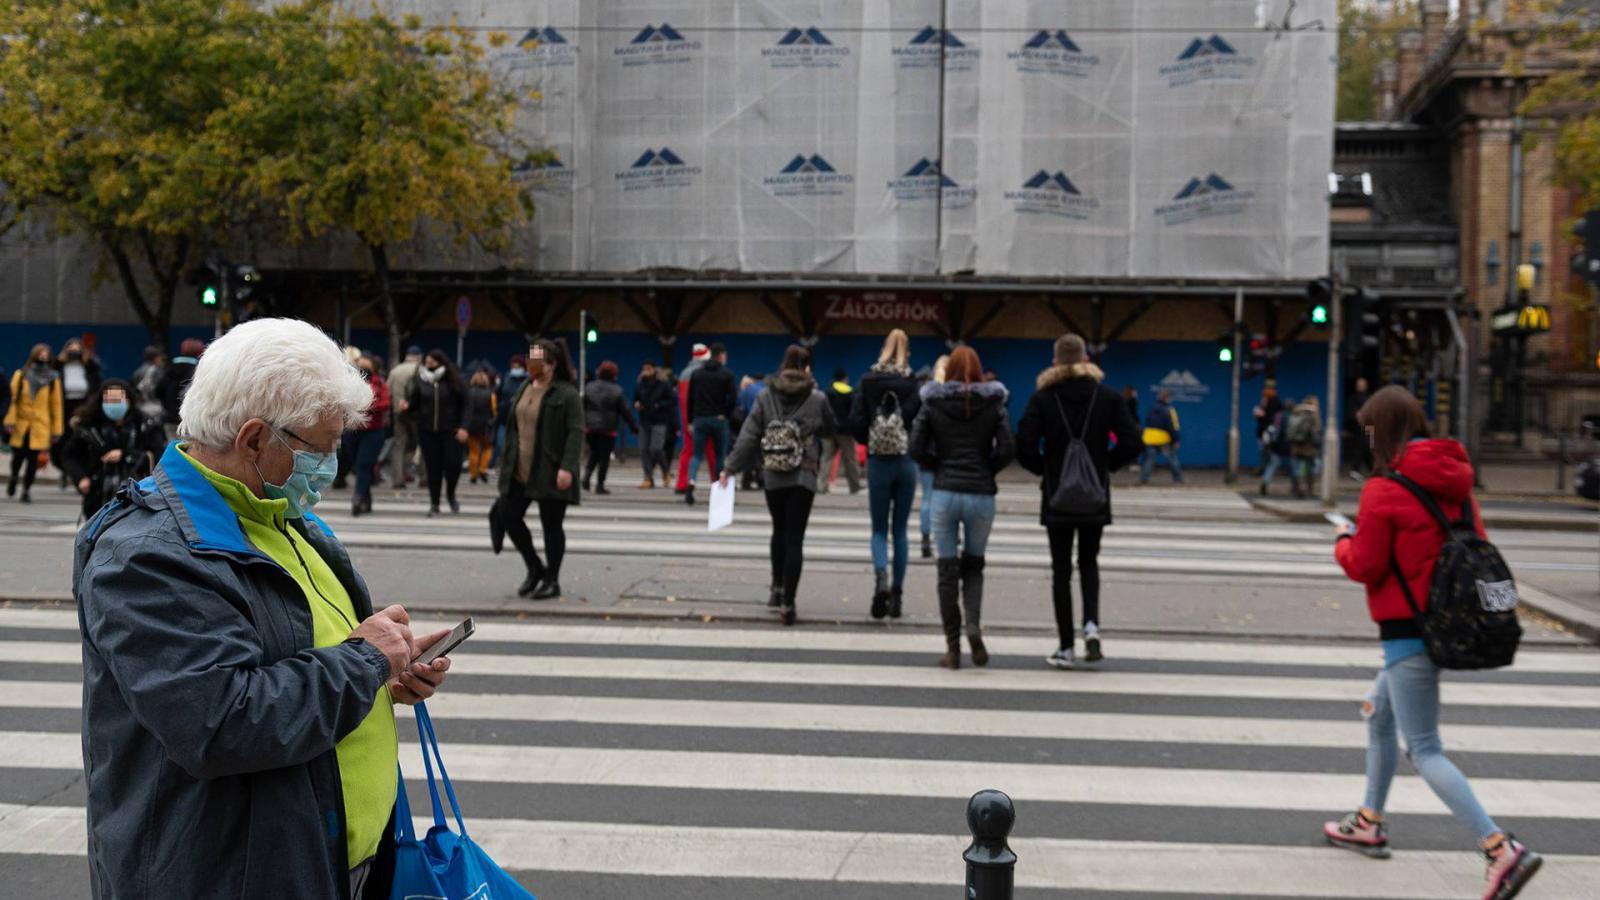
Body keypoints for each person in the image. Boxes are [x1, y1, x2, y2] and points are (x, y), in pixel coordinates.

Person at [73, 317, 452, 900]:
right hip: (234, 874)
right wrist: (365, 663)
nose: (330, 466)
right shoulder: (147, 557)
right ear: (253, 439)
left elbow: (309, 656)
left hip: (328, 858)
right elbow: (219, 722)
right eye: (319, 448)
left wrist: (389, 672)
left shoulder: (280, 515)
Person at [1326, 386, 1542, 899]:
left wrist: (1342, 542)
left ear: (1383, 430)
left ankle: (1498, 849)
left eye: (1369, 429)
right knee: (1380, 714)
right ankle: (1368, 820)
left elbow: (1367, 564)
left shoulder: (1382, 490)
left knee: (1423, 748)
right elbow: (1473, 546)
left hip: (1408, 631)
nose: (1367, 438)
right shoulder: (1459, 484)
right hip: (1450, 624)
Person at [1017, 335, 1143, 670]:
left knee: (1061, 571)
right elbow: (1134, 440)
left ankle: (1065, 647)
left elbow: (1024, 445)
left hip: (1057, 498)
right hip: (1094, 495)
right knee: (1089, 562)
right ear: (1086, 359)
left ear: (1055, 361)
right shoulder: (1107, 397)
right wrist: (1107, 465)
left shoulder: (1043, 399)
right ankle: (1091, 626)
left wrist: (1046, 470)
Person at [910, 346, 1015, 670]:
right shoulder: (994, 404)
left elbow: (915, 446)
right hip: (981, 494)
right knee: (974, 565)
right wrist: (987, 469)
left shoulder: (933, 402)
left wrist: (938, 465)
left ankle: (953, 649)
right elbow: (1007, 447)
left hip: (945, 492)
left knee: (946, 571)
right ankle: (973, 625)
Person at [721, 345, 835, 626]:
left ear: (783, 365)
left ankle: (776, 588)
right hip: (804, 476)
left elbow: (749, 435)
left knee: (779, 530)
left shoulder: (765, 395)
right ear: (807, 369)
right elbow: (830, 429)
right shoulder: (816, 396)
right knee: (795, 538)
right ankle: (788, 604)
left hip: (772, 474)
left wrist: (730, 467)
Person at [498, 339, 582, 600]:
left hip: (550, 469)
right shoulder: (525, 386)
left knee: (551, 527)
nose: (530, 363)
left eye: (537, 359)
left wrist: (567, 467)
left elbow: (576, 432)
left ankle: (552, 580)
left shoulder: (566, 393)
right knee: (508, 516)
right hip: (519, 469)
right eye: (529, 358)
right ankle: (535, 568)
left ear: (551, 364)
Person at [850, 329, 922, 619]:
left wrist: (869, 439)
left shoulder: (867, 381)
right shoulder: (911, 383)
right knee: (901, 531)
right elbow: (921, 421)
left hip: (879, 460)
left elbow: (855, 421)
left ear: (883, 349)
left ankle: (881, 576)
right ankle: (898, 596)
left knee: (879, 529)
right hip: (905, 461)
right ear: (907, 351)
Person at [61, 379, 166, 520]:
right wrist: (80, 477)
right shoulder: (89, 426)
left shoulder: (144, 424)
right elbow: (70, 455)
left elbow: (158, 453)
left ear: (128, 400)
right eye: (109, 400)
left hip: (137, 492)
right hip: (97, 492)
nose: (113, 405)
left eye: (118, 400)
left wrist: (126, 455)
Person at [404, 350, 468, 517]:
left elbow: (466, 405)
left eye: (432, 361)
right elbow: (414, 404)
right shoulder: (421, 381)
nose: (429, 364)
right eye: (427, 361)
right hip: (428, 432)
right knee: (433, 469)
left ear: (441, 362)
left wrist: (464, 427)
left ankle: (451, 495)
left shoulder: (453, 381)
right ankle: (435, 503)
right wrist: (407, 407)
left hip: (451, 432)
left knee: (453, 466)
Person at [5, 344, 62, 503]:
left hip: (40, 425)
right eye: (40, 353)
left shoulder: (53, 378)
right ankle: (14, 477)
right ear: (34, 355)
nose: (43, 356)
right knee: (17, 458)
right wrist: (10, 421)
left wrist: (56, 430)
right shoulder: (21, 374)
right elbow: (13, 399)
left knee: (33, 461)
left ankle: (26, 489)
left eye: (46, 354)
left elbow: (56, 406)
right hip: (21, 425)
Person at [685, 342, 737, 506]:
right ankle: (717, 489)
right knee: (719, 456)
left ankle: (691, 480)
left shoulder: (697, 374)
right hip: (718, 419)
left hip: (700, 419)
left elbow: (690, 399)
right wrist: (726, 414)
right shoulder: (727, 374)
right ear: (721, 355)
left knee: (696, 455)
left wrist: (690, 420)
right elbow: (733, 398)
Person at [582, 360, 637, 495]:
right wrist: (633, 427)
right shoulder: (617, 391)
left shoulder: (589, 387)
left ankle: (586, 476)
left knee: (594, 452)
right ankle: (600, 485)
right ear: (614, 375)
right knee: (604, 457)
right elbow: (625, 411)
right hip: (608, 428)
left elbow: (581, 405)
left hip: (590, 427)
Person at [349, 355, 392, 516]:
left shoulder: (379, 383)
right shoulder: (352, 381)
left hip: (373, 431)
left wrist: (365, 403)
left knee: (364, 464)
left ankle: (358, 498)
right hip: (354, 429)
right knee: (358, 466)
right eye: (360, 366)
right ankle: (366, 497)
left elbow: (386, 403)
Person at [673, 343, 712, 494]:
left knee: (688, 450)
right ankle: (716, 483)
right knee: (711, 450)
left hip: (686, 419)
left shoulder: (684, 373)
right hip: (703, 416)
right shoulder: (704, 374)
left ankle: (682, 483)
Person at [387, 346, 424, 489]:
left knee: (398, 445)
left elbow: (388, 391)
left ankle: (397, 479)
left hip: (399, 414)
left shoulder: (395, 371)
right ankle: (424, 478)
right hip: (417, 414)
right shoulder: (422, 371)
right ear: (419, 356)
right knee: (422, 445)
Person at [820, 368, 862, 495]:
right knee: (850, 459)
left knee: (826, 458)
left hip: (829, 430)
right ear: (845, 379)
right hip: (845, 431)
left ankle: (821, 486)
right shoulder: (851, 393)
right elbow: (854, 413)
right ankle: (854, 486)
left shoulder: (827, 392)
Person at [634, 360, 673, 488]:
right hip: (644, 419)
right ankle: (648, 477)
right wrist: (637, 404)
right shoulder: (640, 383)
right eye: (644, 369)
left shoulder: (663, 384)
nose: (646, 371)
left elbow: (671, 400)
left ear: (655, 369)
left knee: (656, 448)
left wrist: (659, 405)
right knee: (644, 449)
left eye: (649, 368)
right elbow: (636, 398)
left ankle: (665, 471)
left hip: (659, 419)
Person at [158, 337, 204, 441]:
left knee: (173, 447)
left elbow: (158, 390)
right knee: (188, 450)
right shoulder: (199, 370)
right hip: (190, 420)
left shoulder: (169, 368)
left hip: (169, 418)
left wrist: (167, 405)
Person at [492, 353, 529, 474]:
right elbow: (497, 393)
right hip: (505, 417)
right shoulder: (506, 377)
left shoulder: (528, 380)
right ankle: (504, 466)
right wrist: (499, 406)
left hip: (522, 419)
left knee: (521, 446)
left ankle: (517, 468)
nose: (515, 368)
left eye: (518, 366)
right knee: (501, 444)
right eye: (513, 365)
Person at [1139, 389, 1183, 484]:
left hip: (1150, 437)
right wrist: (1176, 439)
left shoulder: (1152, 408)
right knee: (1172, 458)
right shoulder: (1170, 410)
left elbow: (1147, 422)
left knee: (1149, 460)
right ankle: (1178, 478)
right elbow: (1174, 426)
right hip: (1164, 438)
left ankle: (1144, 478)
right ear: (1168, 398)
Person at [463, 368, 497, 485]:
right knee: (488, 448)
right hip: (486, 426)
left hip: (471, 425)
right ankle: (482, 469)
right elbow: (494, 411)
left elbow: (466, 409)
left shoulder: (469, 392)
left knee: (473, 451)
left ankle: (473, 474)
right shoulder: (490, 394)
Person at [1259, 396, 1297, 496]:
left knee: (1273, 464)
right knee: (1293, 466)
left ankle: (1265, 482)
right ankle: (1295, 486)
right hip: (1288, 445)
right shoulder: (1292, 418)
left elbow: (1271, 428)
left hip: (1275, 445)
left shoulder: (1277, 416)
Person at [735, 373, 767, 491]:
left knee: (749, 455)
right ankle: (761, 481)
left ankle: (746, 481)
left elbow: (738, 405)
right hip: (763, 426)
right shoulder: (765, 390)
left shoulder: (746, 391)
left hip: (747, 426)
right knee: (762, 455)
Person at [1289, 395, 1323, 498]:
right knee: (1311, 469)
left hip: (1296, 446)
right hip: (1309, 447)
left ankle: (1296, 489)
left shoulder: (1297, 411)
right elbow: (1316, 430)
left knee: (1297, 469)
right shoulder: (1313, 414)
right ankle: (1309, 490)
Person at [1345, 376, 1373, 476]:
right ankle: (1356, 469)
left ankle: (1370, 468)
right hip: (1360, 427)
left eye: (1362, 385)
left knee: (1369, 447)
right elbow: (1353, 414)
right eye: (1359, 385)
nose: (1361, 386)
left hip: (1369, 427)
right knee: (1361, 447)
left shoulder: (1369, 398)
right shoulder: (1353, 398)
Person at [130, 346, 167, 424]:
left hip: (140, 409)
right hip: (156, 410)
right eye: (160, 358)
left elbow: (133, 391)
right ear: (155, 358)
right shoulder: (158, 371)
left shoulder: (137, 372)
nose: (161, 360)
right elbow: (163, 391)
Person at [1252, 383, 1283, 476]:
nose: (1264, 391)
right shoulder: (1266, 401)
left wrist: (1262, 415)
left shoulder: (1274, 402)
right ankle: (1264, 470)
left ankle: (1265, 471)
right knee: (1264, 453)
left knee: (1267, 454)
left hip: (1268, 432)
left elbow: (1271, 418)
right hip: (1264, 432)